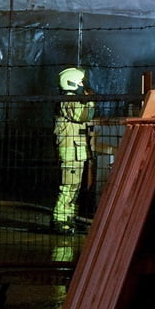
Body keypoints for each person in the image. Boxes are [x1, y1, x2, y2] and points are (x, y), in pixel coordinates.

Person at [53, 66, 94, 234]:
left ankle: (68, 218)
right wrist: (91, 100)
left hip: (76, 150)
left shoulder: (72, 99)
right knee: (68, 186)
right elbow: (83, 116)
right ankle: (60, 219)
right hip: (70, 151)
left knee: (73, 186)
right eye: (81, 82)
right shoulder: (68, 100)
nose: (83, 85)